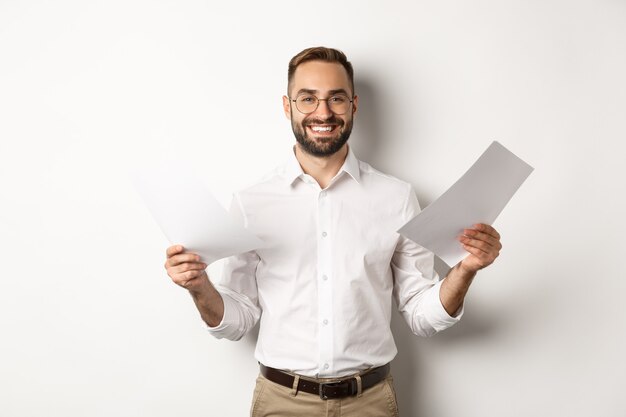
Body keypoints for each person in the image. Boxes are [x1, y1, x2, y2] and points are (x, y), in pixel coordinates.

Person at [164, 46, 502, 417]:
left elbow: (422, 316)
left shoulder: (397, 197)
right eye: (307, 98)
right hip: (281, 403)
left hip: (370, 403)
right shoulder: (251, 203)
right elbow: (235, 323)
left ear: (353, 105)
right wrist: (199, 286)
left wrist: (464, 270)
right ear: (287, 105)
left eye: (335, 98)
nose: (322, 113)